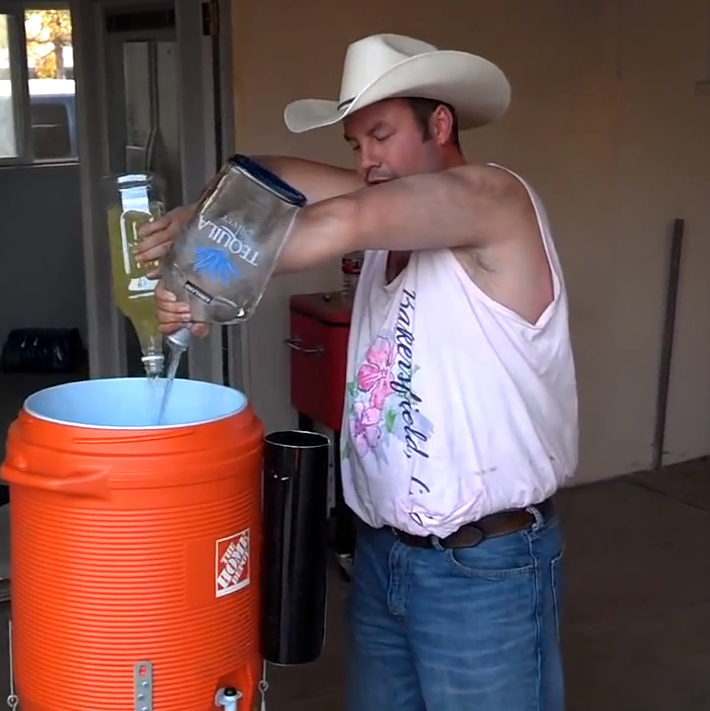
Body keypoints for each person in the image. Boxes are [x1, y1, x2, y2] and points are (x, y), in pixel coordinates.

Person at [135, 33, 578, 711]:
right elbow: (265, 175)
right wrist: (208, 212)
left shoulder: (492, 197)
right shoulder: (391, 201)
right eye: (355, 144)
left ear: (439, 124)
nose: (366, 160)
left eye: (381, 135)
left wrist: (200, 271)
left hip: (484, 568)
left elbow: (340, 220)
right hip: (383, 557)